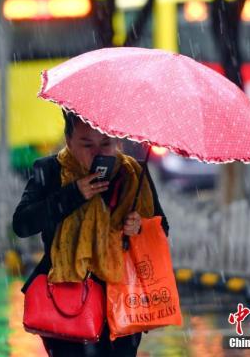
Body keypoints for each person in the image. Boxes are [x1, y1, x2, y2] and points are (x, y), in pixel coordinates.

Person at [13, 111, 169, 357]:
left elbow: (161, 229)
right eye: (87, 144)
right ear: (68, 140)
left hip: (121, 301)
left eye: (105, 144)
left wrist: (139, 226)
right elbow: (22, 224)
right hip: (66, 299)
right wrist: (73, 194)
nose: (98, 153)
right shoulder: (51, 171)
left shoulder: (133, 175)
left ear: (117, 141)